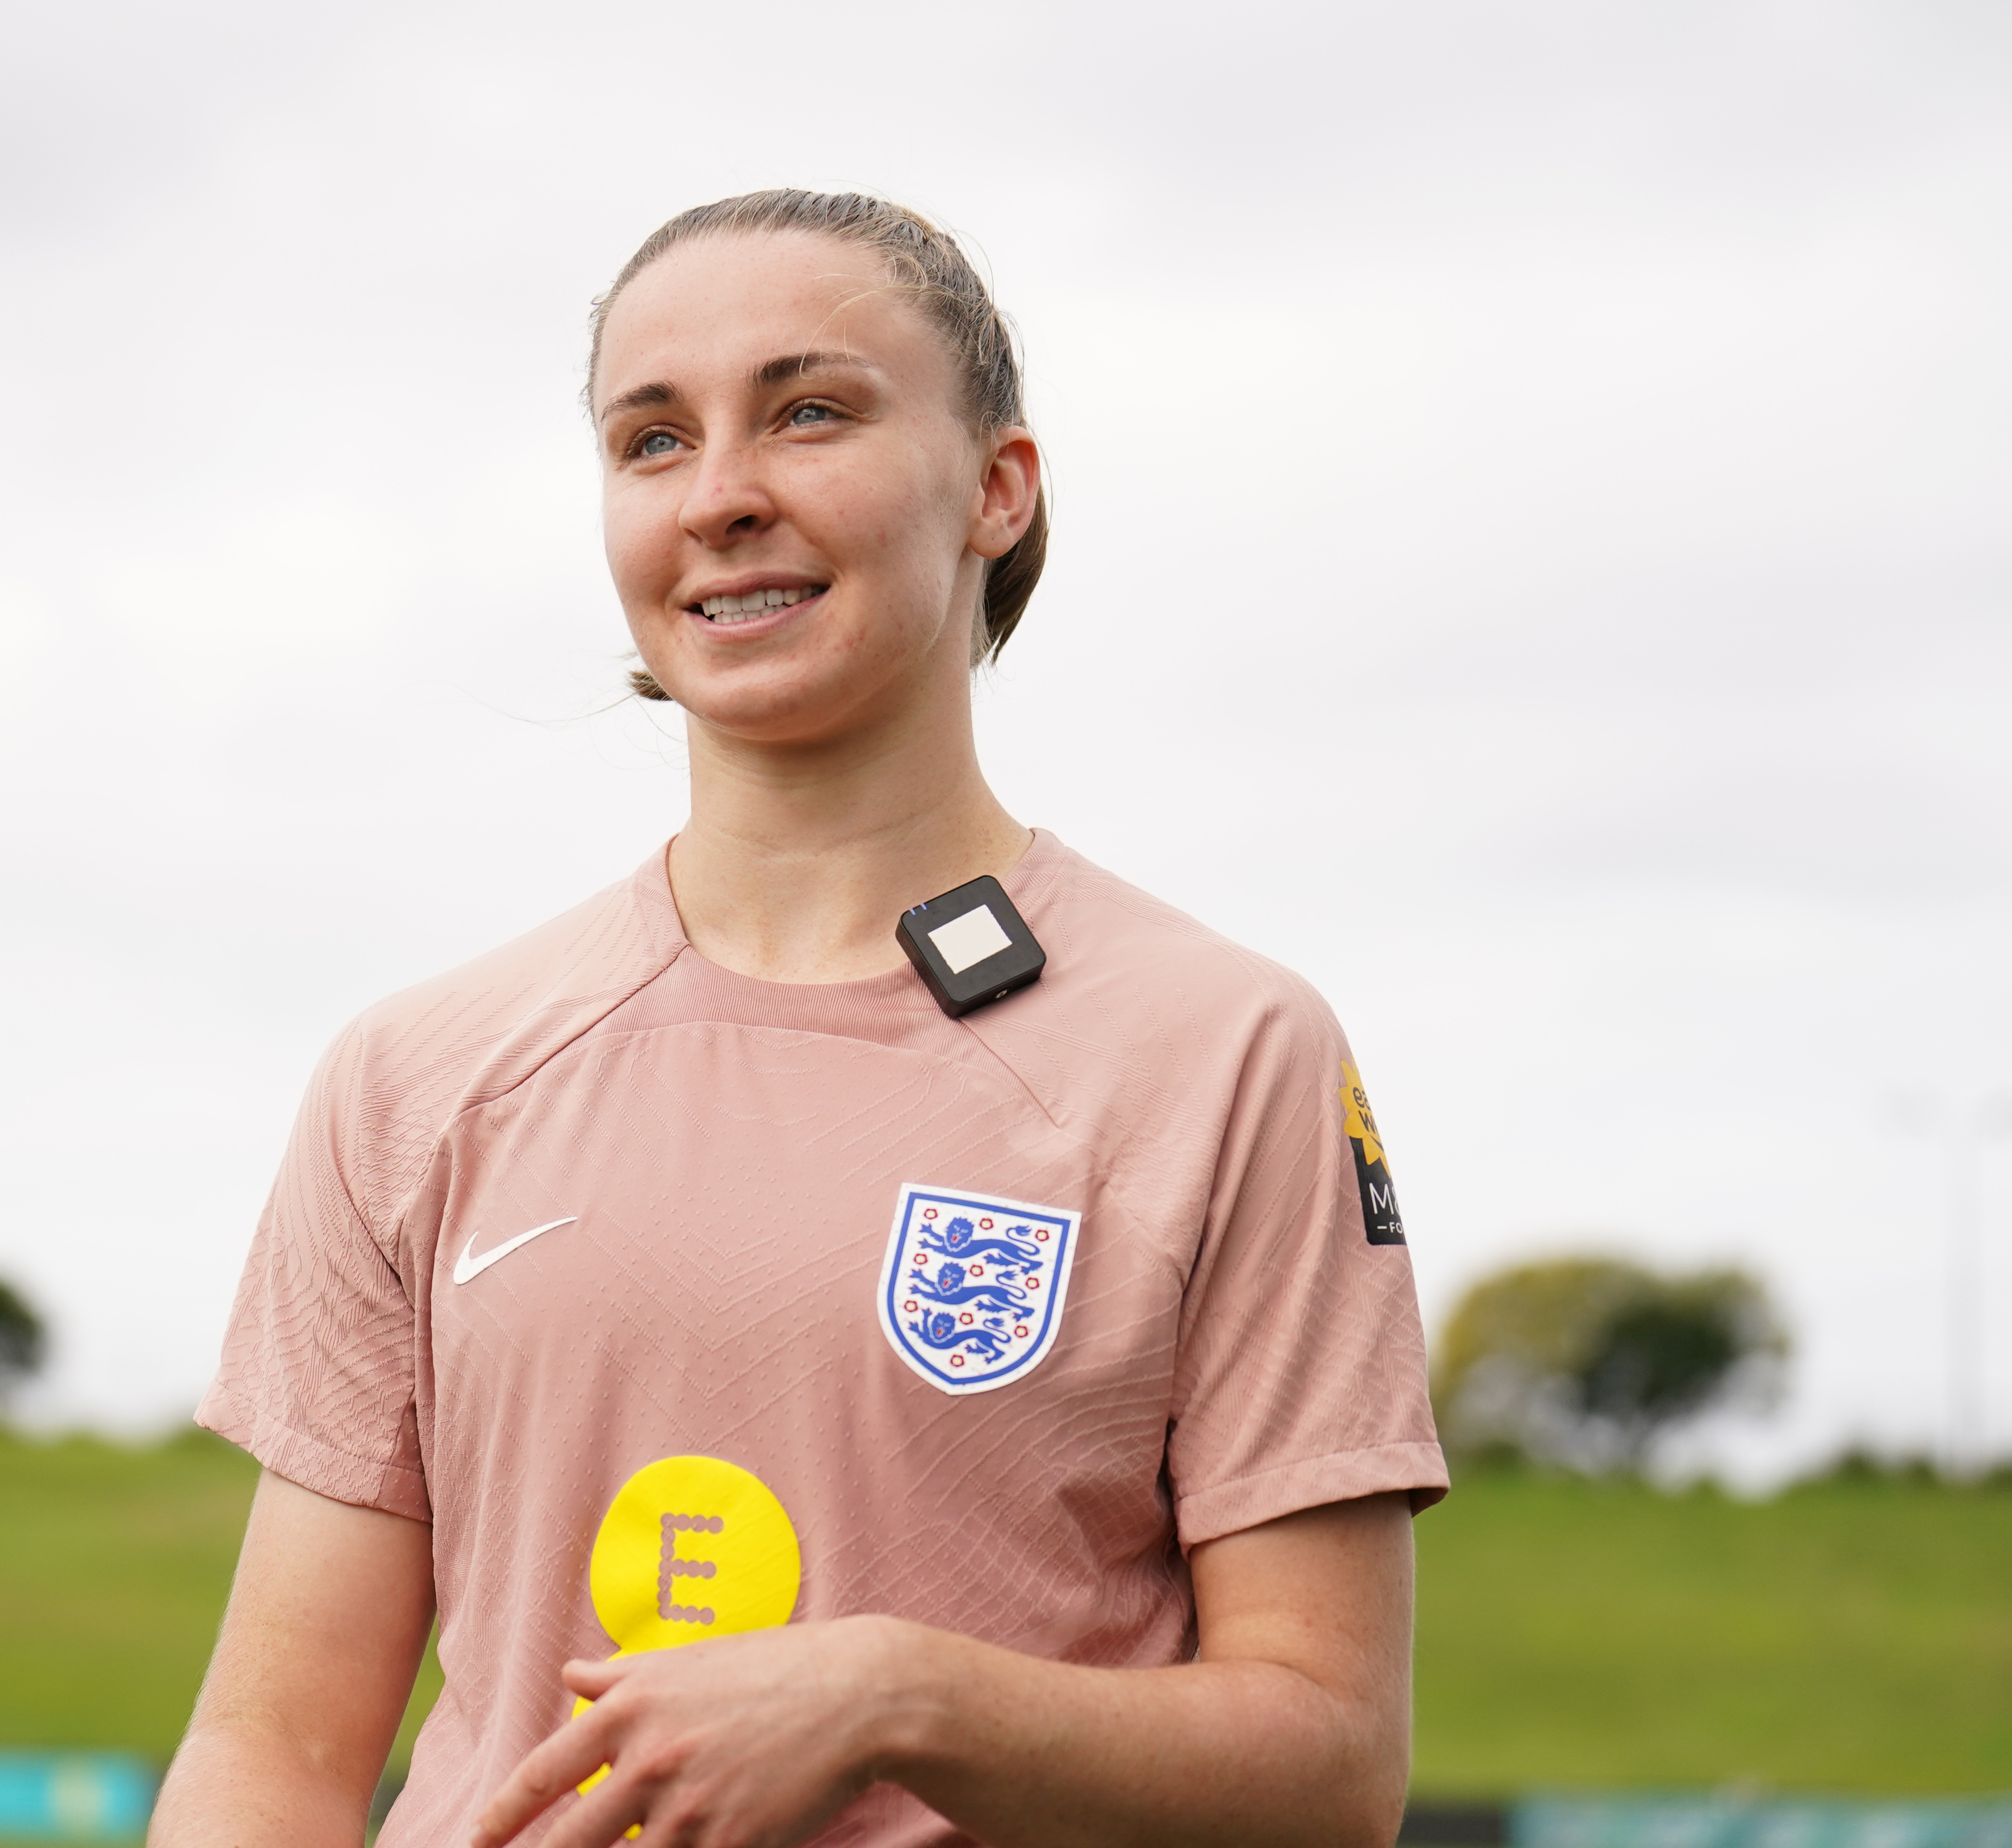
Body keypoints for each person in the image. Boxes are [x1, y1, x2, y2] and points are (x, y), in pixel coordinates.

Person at [149, 190, 1448, 1848]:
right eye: (650, 441)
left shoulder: (1224, 1053)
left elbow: (1330, 1772)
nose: (721, 498)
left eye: (809, 412)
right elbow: (273, 1753)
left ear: (996, 487)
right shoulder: (416, 1078)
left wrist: (902, 1696)